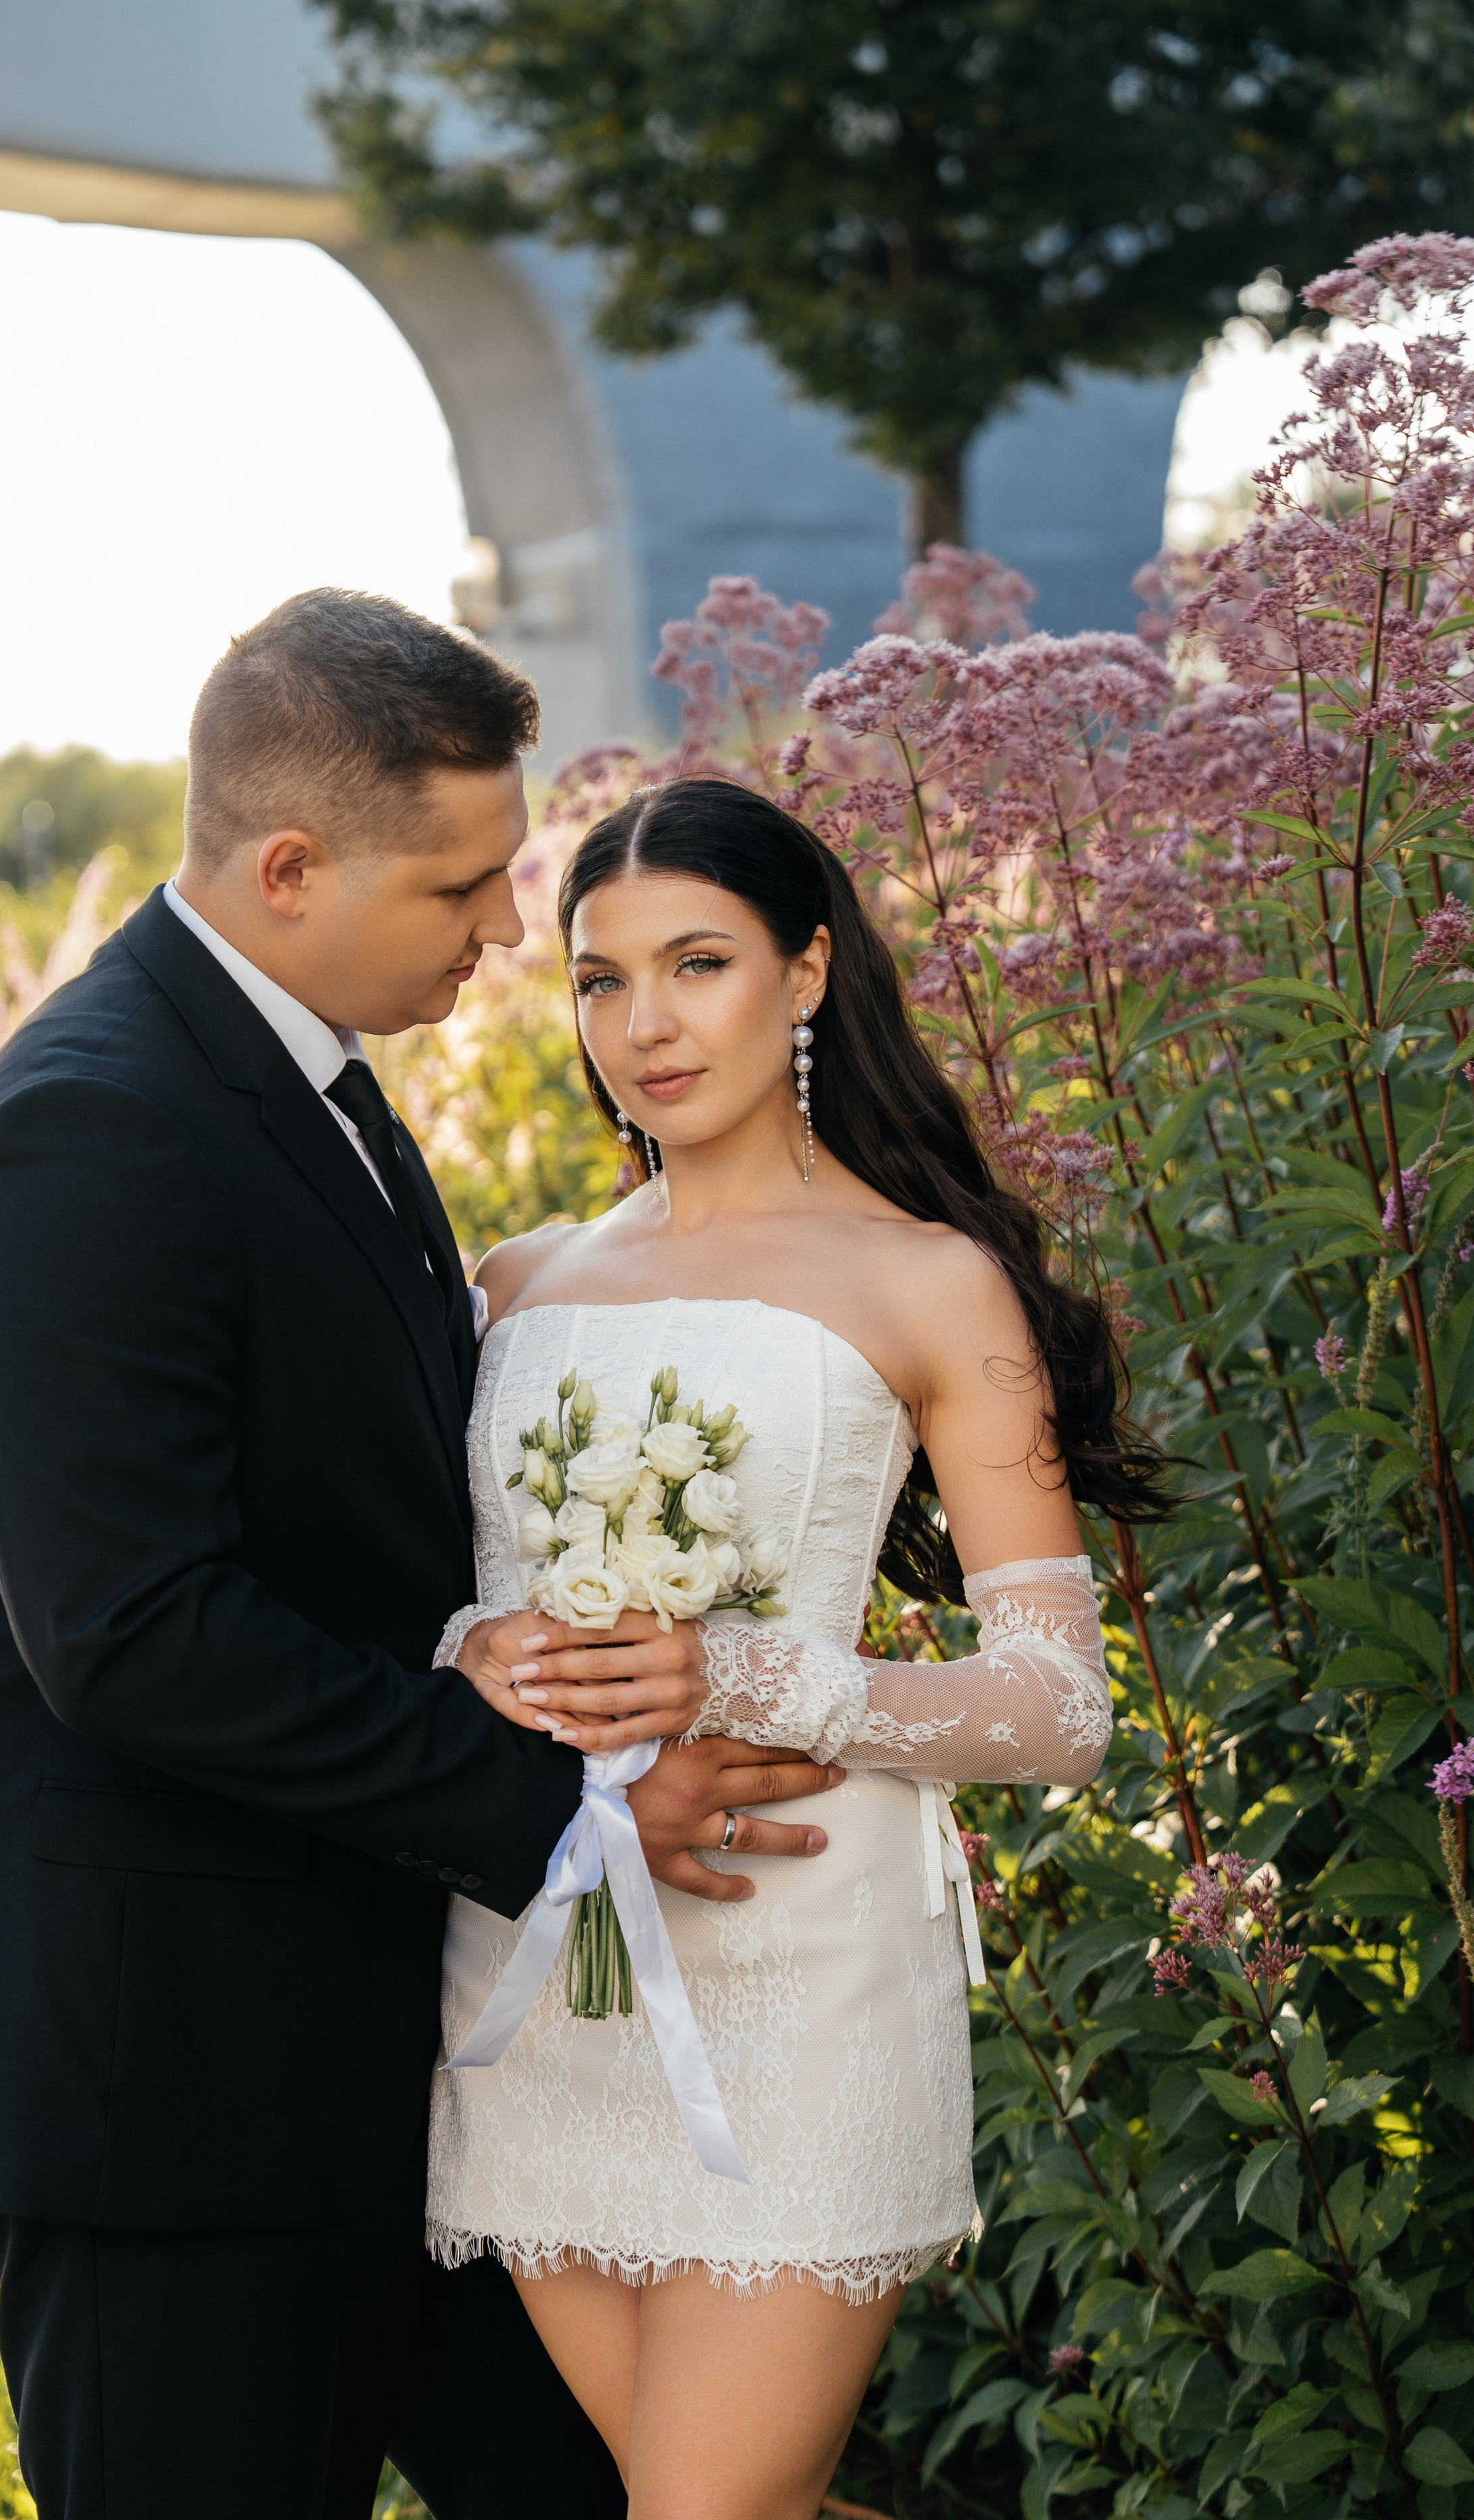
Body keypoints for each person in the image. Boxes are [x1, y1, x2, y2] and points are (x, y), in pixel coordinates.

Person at [0, 601, 855, 2520]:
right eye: (462, 886)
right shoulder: (90, 1133)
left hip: (368, 2020)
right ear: (289, 871)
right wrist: (567, 1807)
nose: (500, 933)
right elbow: (132, 1631)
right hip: (157, 2056)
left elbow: (361, 1513)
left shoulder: (309, 1077)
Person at [432, 776, 1172, 2520]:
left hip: (804, 1974)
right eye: (600, 981)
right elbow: (417, 1591)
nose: (645, 1025)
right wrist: (475, 1647)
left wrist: (758, 1678)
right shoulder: (512, 1286)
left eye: (698, 963)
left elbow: (1063, 1709)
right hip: (536, 1982)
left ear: (813, 969)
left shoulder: (931, 1284)